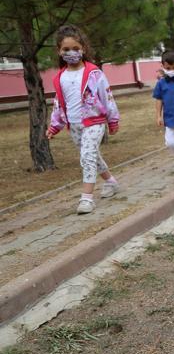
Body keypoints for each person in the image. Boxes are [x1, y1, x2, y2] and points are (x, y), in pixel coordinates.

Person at [46, 25, 120, 215]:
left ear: (83, 49)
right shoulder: (60, 77)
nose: (71, 52)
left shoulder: (94, 73)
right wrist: (54, 126)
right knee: (93, 156)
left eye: (75, 48)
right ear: (59, 51)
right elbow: (58, 103)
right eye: (66, 49)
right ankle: (111, 182)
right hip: (74, 125)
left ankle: (86, 199)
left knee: (87, 156)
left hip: (94, 122)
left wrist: (112, 120)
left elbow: (107, 96)